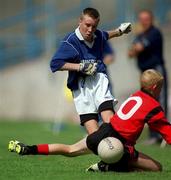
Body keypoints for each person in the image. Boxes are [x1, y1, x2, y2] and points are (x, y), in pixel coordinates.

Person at [8, 69, 171, 172]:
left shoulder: (135, 95)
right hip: (118, 144)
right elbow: (167, 133)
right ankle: (106, 166)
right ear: (155, 87)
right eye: (161, 87)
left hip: (103, 132)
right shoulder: (153, 106)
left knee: (70, 149)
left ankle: (28, 149)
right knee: (156, 168)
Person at [50, 7, 131, 135]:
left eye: (94, 26)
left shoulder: (97, 35)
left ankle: (121, 148)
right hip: (80, 87)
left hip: (99, 79)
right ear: (80, 21)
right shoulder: (70, 42)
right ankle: (103, 145)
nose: (90, 30)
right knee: (94, 136)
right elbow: (55, 63)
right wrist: (80, 67)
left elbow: (105, 35)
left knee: (109, 120)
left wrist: (119, 31)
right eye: (87, 25)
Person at [128, 10, 168, 144]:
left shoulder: (154, 33)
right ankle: (153, 135)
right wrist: (134, 48)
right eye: (141, 19)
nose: (144, 21)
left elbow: (137, 49)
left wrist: (135, 48)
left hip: (155, 71)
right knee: (147, 104)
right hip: (144, 73)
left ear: (151, 19)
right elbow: (130, 53)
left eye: (146, 19)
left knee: (158, 102)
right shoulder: (140, 35)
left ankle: (161, 135)